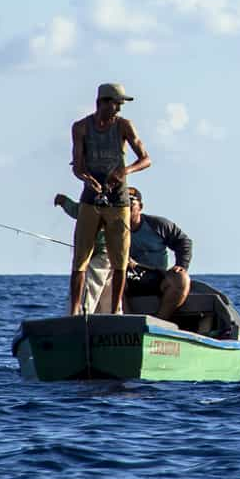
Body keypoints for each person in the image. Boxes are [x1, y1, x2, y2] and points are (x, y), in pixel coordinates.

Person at [68, 83, 152, 315]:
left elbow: (146, 159)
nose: (118, 109)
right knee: (80, 259)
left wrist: (124, 172)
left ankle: (116, 310)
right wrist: (87, 180)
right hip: (90, 200)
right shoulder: (81, 128)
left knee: (120, 262)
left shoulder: (124, 126)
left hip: (119, 201)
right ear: (102, 102)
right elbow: (77, 166)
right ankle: (74, 312)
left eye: (120, 105)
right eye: (115, 104)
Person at [124, 186, 192, 320]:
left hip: (157, 278)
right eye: (122, 204)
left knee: (181, 278)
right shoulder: (110, 229)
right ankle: (127, 320)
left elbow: (183, 241)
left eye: (131, 204)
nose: (126, 208)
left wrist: (181, 265)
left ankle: (160, 321)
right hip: (125, 280)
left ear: (140, 206)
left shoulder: (158, 224)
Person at [54, 193, 111, 313]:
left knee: (89, 284)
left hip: (105, 254)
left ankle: (79, 317)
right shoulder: (88, 204)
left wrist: (64, 202)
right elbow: (78, 210)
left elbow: (78, 211)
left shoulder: (115, 204)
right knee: (104, 293)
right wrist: (64, 202)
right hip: (94, 253)